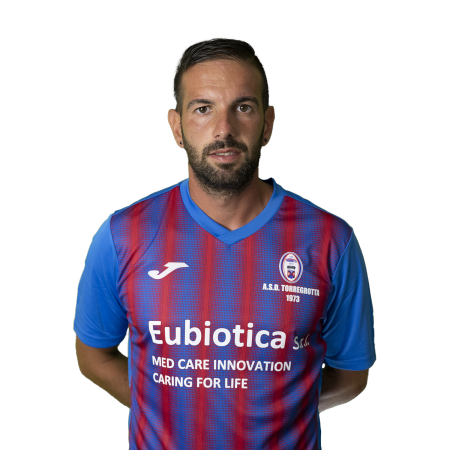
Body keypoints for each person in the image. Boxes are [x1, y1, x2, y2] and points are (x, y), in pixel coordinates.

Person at [73, 36, 376, 450]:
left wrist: (282, 414)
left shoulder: (331, 241)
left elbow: (352, 375)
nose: (224, 130)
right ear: (176, 127)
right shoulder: (121, 235)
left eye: (243, 107)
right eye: (203, 108)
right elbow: (93, 356)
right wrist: (162, 411)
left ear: (267, 123)